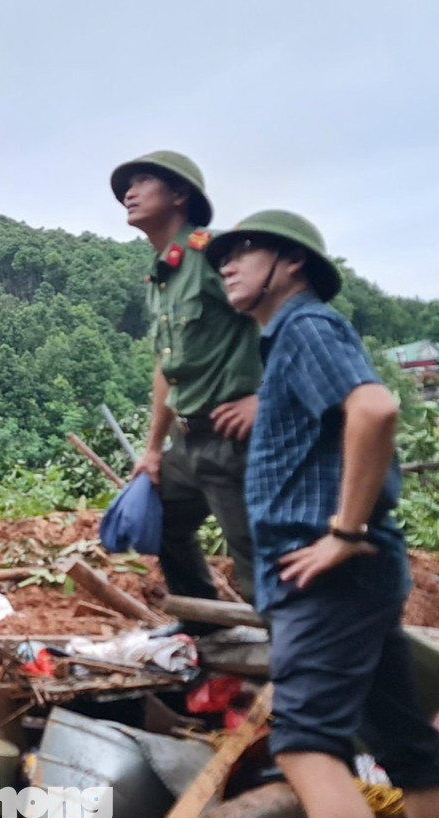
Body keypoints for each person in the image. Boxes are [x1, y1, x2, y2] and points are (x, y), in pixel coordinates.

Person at [204, 210, 439, 818]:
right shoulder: (289, 339)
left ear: (292, 263)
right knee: (408, 748)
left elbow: (374, 409)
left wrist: (344, 533)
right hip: (336, 574)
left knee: (305, 745)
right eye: (222, 258)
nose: (227, 264)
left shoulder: (306, 325)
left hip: (327, 574)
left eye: (244, 250)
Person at [110, 151, 260, 615]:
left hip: (236, 440)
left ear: (179, 194)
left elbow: (279, 316)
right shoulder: (161, 276)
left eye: (143, 181)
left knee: (257, 563)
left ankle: (286, 668)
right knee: (163, 522)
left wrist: (265, 399)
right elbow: (166, 367)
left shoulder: (213, 254)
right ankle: (205, 629)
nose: (128, 194)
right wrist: (153, 448)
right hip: (189, 441)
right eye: (125, 187)